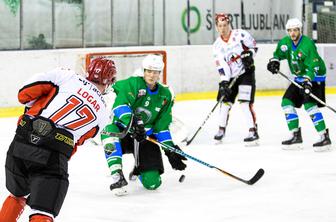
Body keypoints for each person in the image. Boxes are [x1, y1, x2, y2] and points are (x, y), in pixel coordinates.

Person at [0, 57, 116, 222]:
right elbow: (76, 143)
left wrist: (35, 111)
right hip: (53, 155)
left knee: (16, 195)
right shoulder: (103, 113)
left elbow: (23, 95)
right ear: (109, 82)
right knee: (43, 211)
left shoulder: (65, 75)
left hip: (21, 142)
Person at [101, 54, 187, 196]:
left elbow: (162, 126)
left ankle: (138, 169)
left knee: (153, 183)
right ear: (143, 70)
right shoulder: (133, 84)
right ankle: (117, 175)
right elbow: (120, 105)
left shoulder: (165, 95)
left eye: (155, 72)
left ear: (160, 73)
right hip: (125, 133)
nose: (151, 75)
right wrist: (133, 123)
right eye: (148, 71)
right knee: (108, 131)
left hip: (145, 138)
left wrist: (169, 149)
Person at [267, 18, 332, 152]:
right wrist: (274, 61)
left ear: (300, 30)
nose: (293, 33)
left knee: (309, 105)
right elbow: (278, 54)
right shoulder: (285, 43)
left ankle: (324, 137)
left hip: (315, 77)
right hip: (299, 78)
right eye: (290, 30)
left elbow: (313, 65)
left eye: (295, 30)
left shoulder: (308, 44)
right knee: (286, 102)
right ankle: (295, 136)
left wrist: (308, 81)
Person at [212, 13, 259, 145]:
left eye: (225, 25)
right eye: (220, 26)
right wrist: (224, 82)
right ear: (216, 27)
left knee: (245, 102)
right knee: (224, 101)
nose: (223, 28)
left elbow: (254, 47)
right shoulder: (216, 46)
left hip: (246, 74)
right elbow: (221, 65)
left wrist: (249, 55)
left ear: (229, 24)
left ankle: (253, 130)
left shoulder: (241, 35)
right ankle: (221, 129)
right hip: (231, 76)